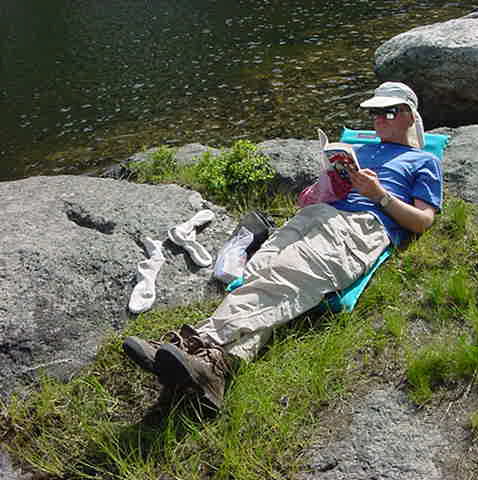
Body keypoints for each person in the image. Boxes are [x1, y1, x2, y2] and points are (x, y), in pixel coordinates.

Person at [123, 81, 444, 408]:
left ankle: (197, 341)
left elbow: (423, 221)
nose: (378, 119)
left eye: (388, 112)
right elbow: (314, 197)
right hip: (315, 216)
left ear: (409, 116)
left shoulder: (422, 161)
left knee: (285, 277)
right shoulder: (359, 151)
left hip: (359, 226)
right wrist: (325, 186)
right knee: (259, 273)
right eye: (374, 113)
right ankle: (215, 369)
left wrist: (380, 195)